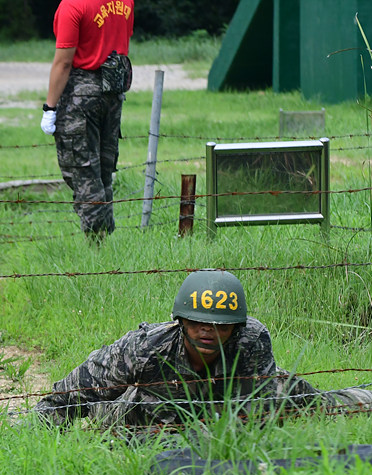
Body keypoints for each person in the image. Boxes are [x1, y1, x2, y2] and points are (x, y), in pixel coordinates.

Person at [36, 270, 372, 427]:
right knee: (110, 418)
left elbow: (262, 409)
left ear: (235, 328)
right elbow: (70, 394)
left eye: (220, 325)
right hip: (151, 420)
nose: (208, 332)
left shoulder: (252, 342)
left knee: (301, 399)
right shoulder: (143, 348)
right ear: (180, 322)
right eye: (198, 323)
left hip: (225, 412)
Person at [40, 0, 134, 242]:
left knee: (82, 169)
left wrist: (50, 107)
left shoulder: (73, 5)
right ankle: (104, 236)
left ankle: (96, 243)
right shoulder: (125, 2)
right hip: (113, 91)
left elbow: (63, 63)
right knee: (103, 167)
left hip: (81, 92)